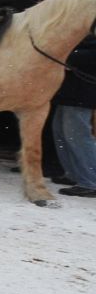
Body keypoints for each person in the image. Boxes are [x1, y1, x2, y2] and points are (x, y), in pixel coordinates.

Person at [48, 35, 96, 196]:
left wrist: (67, 56)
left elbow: (86, 57)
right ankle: (74, 174)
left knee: (78, 136)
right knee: (61, 133)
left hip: (81, 94)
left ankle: (90, 181)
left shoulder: (88, 42)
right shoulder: (84, 37)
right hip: (70, 93)